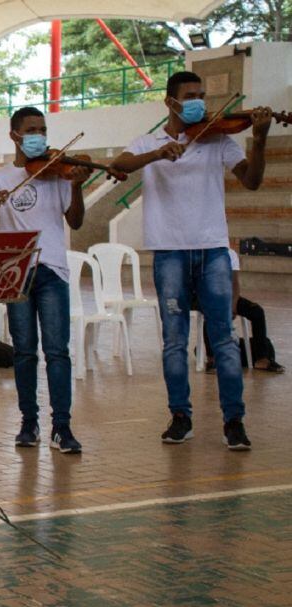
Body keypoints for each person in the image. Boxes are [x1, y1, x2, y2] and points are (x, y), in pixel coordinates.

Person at [111, 71, 273, 451]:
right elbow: (120, 164)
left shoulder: (218, 138)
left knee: (224, 339)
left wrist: (260, 140)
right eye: (191, 95)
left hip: (213, 248)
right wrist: (157, 153)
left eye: (202, 94)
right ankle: (180, 416)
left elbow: (251, 180)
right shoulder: (147, 141)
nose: (200, 102)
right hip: (168, 251)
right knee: (174, 340)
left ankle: (234, 421)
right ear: (170, 102)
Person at [0, 106, 91, 454]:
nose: (39, 137)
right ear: (15, 136)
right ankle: (28, 422)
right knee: (24, 353)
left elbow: (75, 221)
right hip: (13, 272)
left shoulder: (59, 174)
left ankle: (62, 426)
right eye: (32, 130)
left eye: (43, 130)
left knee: (57, 351)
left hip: (51, 269)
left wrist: (77, 186)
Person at [201, 247, 283, 374]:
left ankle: (261, 358)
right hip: (202, 295)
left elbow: (234, 283)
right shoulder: (200, 251)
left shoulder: (230, 253)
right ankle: (212, 359)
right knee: (213, 311)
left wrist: (233, 304)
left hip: (225, 296)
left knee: (256, 311)